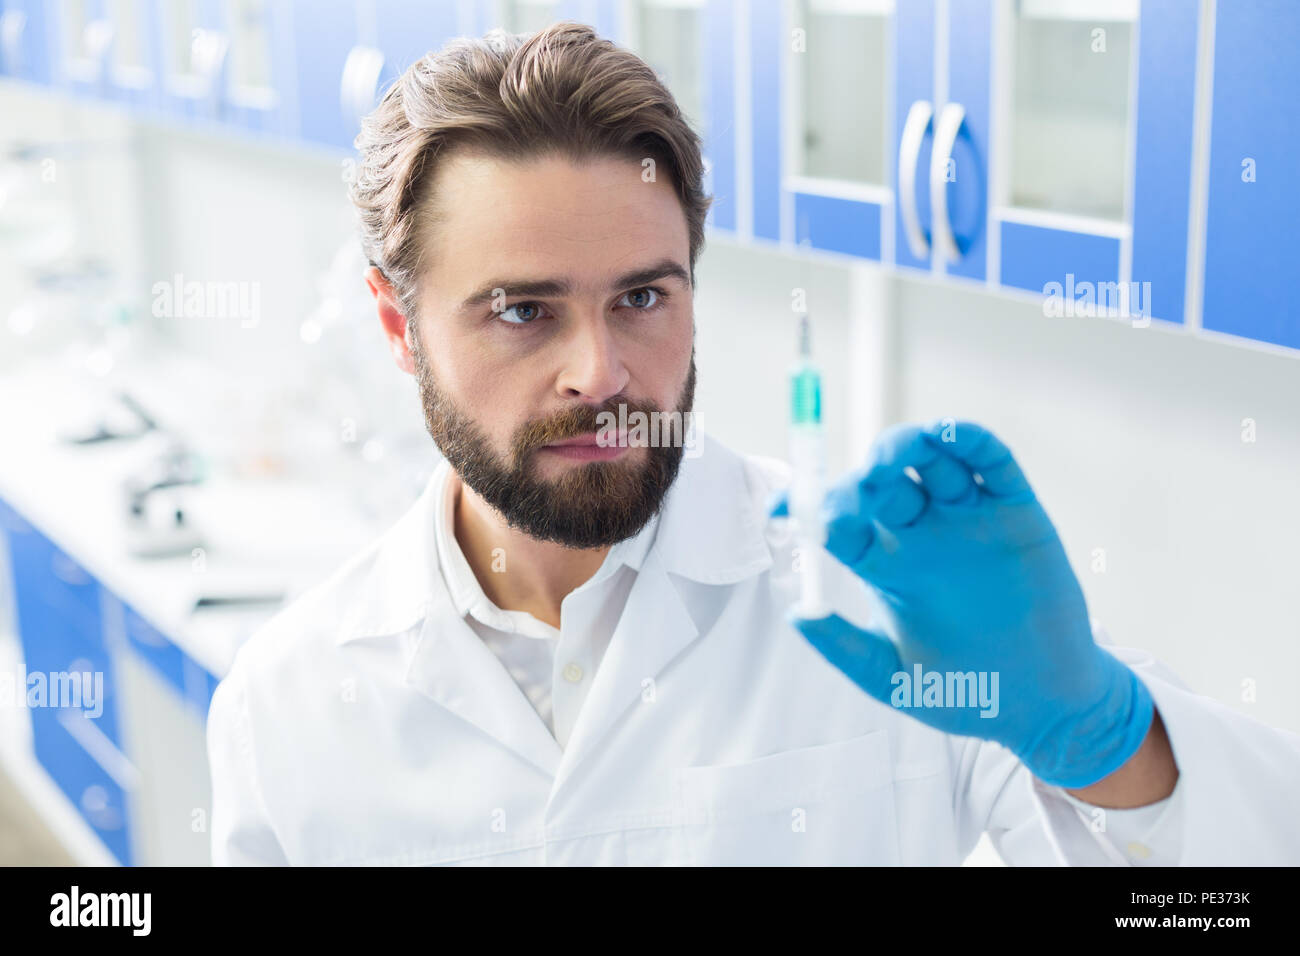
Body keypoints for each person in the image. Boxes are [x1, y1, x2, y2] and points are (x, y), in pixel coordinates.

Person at [206, 21, 1300, 866]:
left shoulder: (884, 611)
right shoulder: (291, 700)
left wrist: (1099, 737)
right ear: (400, 328)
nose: (599, 369)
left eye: (641, 294)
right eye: (522, 310)